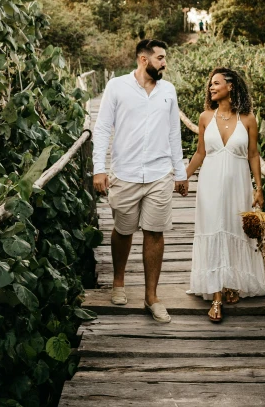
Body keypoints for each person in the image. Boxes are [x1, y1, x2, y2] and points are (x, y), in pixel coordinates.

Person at [92, 39, 189, 324]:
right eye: (160, 58)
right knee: (122, 231)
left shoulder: (168, 91)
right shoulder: (117, 87)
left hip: (160, 174)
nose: (164, 63)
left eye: (165, 58)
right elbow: (101, 130)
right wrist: (100, 169)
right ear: (143, 59)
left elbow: (174, 134)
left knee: (155, 233)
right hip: (125, 173)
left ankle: (151, 297)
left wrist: (180, 173)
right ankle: (119, 282)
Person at [185, 67, 265, 322]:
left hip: (238, 185)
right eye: (210, 84)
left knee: (233, 228)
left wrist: (259, 187)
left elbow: (253, 154)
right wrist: (182, 176)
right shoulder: (205, 117)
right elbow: (200, 153)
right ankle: (217, 296)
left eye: (216, 83)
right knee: (214, 228)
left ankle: (231, 283)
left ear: (231, 86)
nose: (211, 87)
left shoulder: (248, 119)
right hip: (209, 185)